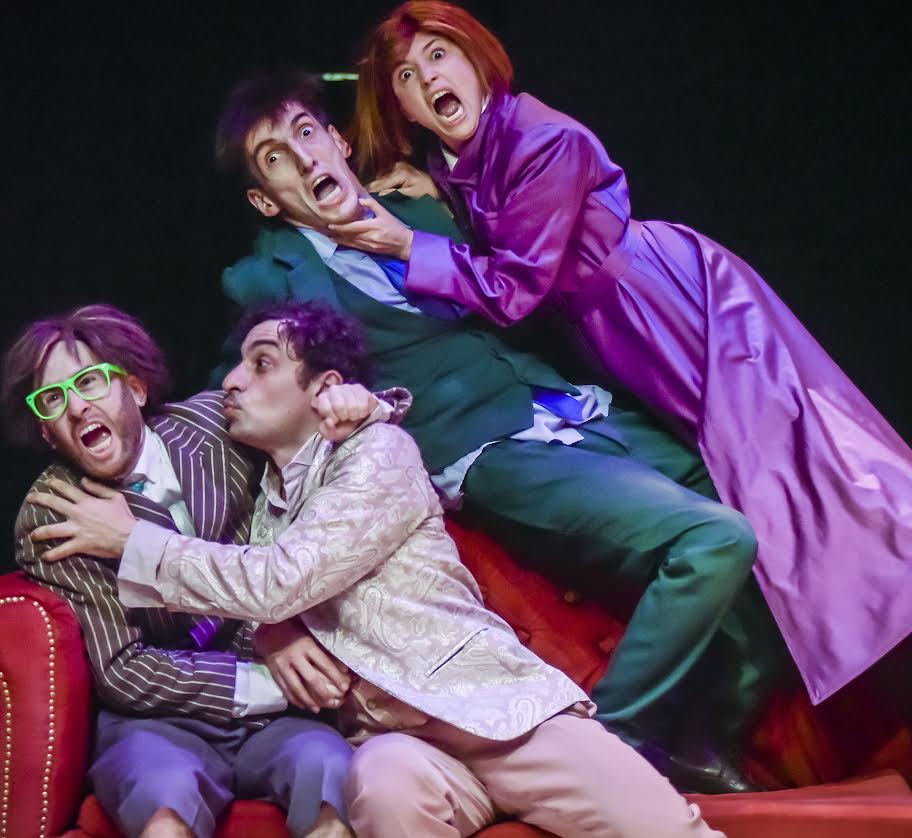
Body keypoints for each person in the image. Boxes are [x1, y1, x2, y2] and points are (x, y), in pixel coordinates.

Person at [343, 0, 912, 704]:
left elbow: (514, 287)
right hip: (620, 332)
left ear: (476, 60)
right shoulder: (463, 160)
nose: (428, 78)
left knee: (798, 453)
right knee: (768, 472)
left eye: (439, 54)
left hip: (670, 304)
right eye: (406, 75)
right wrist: (428, 187)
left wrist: (409, 243)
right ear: (400, 106)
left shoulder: (542, 139)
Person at [216, 71, 780, 794]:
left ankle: (710, 733)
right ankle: (605, 748)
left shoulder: (424, 205)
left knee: (765, 522)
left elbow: (535, 235)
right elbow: (236, 406)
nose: (301, 159)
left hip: (575, 408)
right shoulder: (268, 279)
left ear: (338, 142)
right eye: (274, 158)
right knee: (714, 539)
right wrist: (274, 618)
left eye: (305, 134)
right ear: (266, 200)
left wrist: (438, 192)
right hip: (485, 450)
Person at [30, 301, 728, 838]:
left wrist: (135, 542)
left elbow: (282, 578)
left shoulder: (374, 455)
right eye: (237, 365)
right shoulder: (262, 503)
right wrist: (275, 633)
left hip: (491, 714)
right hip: (396, 743)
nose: (233, 381)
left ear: (324, 389)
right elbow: (259, 587)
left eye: (262, 364)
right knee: (379, 785)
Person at [2, 303, 391, 838]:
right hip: (159, 723)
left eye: (89, 381)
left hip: (280, 719)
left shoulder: (214, 426)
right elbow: (122, 669)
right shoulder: (54, 512)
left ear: (135, 388)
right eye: (52, 399)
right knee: (164, 804)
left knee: (329, 775)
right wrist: (276, 682)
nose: (75, 406)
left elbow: (320, 459)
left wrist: (360, 406)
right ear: (48, 433)